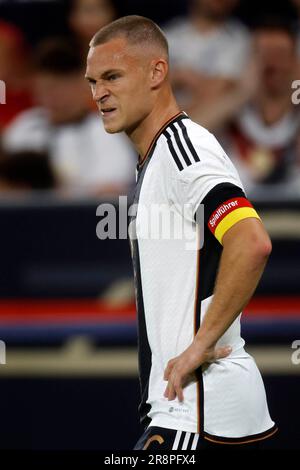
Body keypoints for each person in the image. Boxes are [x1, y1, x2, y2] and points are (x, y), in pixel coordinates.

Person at [85, 15, 277, 450]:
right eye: (93, 81)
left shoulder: (181, 151)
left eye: (112, 76)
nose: (99, 93)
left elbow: (251, 242)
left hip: (197, 411)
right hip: (196, 411)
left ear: (157, 72)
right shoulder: (161, 157)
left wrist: (199, 345)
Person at [3, 38, 135, 195]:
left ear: (83, 86)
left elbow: (108, 190)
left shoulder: (107, 132)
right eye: (48, 89)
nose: (55, 97)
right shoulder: (24, 126)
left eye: (62, 88)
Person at [163, 0, 250, 116]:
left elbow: (219, 93)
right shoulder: (168, 33)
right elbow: (148, 87)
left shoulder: (240, 40)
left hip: (208, 127)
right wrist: (179, 75)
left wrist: (177, 78)